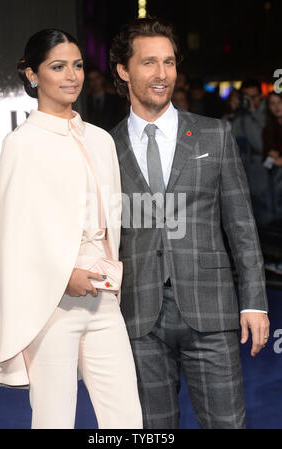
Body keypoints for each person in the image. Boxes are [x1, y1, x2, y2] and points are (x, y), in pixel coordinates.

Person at [109, 17, 269, 429]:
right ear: (124, 71)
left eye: (169, 62)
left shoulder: (214, 135)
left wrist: (253, 301)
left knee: (227, 423)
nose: (162, 74)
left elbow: (241, 227)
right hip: (137, 315)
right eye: (148, 63)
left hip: (211, 310)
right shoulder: (105, 147)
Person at [0, 28, 142, 429]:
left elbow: (111, 225)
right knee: (54, 419)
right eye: (58, 66)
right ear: (33, 75)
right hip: (52, 306)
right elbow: (9, 239)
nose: (71, 75)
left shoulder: (101, 139)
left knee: (127, 420)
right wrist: (62, 276)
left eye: (77, 65)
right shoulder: (22, 143)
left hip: (105, 301)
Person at [231, 79, 271, 227]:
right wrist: (235, 112)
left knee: (263, 204)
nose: (249, 100)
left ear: (261, 96)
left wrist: (252, 113)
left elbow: (260, 144)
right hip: (244, 163)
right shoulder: (241, 113)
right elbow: (232, 137)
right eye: (246, 97)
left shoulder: (268, 112)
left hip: (261, 164)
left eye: (253, 96)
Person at [262, 91, 282, 275]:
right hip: (275, 177)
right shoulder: (269, 127)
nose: (276, 107)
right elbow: (267, 153)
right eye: (272, 103)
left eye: (279, 102)